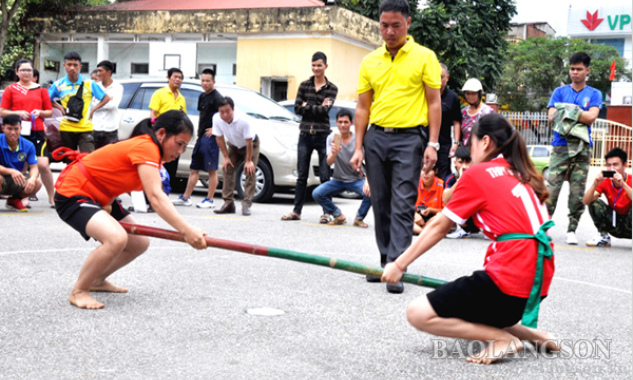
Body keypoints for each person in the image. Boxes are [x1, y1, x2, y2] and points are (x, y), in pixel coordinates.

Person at [383, 113, 558, 364]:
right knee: (470, 308)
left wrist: (398, 264)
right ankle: (534, 335)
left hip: (508, 282)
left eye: (471, 141)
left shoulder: (480, 173)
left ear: (485, 142)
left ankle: (502, 339)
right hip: (537, 285)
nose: (469, 148)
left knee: (418, 313)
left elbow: (439, 227)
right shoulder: (525, 174)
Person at [53, 110, 207, 309]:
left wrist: (188, 230)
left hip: (101, 195)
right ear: (161, 134)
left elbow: (143, 189)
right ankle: (79, 291)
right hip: (73, 192)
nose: (180, 151)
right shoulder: (147, 147)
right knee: (116, 238)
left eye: (185, 147)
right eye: (179, 144)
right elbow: (156, 198)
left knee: (139, 243)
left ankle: (97, 280)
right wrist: (187, 231)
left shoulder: (152, 153)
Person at [350, 0, 442, 294]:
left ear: (408, 23)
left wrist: (433, 143)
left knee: (403, 204)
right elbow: (363, 108)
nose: (389, 32)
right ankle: (385, 262)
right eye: (384, 25)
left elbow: (434, 102)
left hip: (409, 139)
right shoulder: (370, 61)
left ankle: (397, 265)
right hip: (376, 138)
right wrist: (358, 146)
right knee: (381, 203)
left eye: (396, 25)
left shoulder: (425, 57)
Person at [546, 52, 602, 245]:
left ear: (587, 70)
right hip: (560, 146)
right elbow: (552, 116)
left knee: (577, 192)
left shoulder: (594, 94)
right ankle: (544, 227)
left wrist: (567, 111)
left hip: (582, 148)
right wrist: (579, 112)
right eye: (572, 68)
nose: (575, 72)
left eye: (579, 69)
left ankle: (572, 229)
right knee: (551, 189)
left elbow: (591, 117)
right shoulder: (559, 92)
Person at [281, 52, 338, 221]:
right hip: (305, 133)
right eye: (313, 65)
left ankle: (327, 213)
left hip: (323, 135)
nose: (316, 68)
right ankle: (296, 211)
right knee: (302, 175)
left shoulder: (332, 88)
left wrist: (308, 105)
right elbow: (297, 108)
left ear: (325, 67)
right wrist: (315, 106)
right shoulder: (304, 85)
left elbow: (325, 110)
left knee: (325, 175)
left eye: (319, 65)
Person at [0, 58, 55, 207]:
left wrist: (40, 112)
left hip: (37, 131)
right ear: (17, 72)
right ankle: (19, 197)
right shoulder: (10, 89)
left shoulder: (42, 90)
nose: (26, 73)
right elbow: (2, 111)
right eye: (23, 70)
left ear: (33, 72)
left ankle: (52, 197)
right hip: (18, 131)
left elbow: (49, 112)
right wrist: (18, 113)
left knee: (43, 165)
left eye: (29, 70)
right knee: (22, 165)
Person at [172, 68, 223, 208]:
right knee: (194, 168)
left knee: (212, 170)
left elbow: (227, 114)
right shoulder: (202, 96)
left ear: (214, 82)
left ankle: (210, 200)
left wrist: (216, 129)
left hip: (211, 139)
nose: (205, 83)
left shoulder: (218, 98)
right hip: (201, 138)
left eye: (208, 81)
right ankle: (186, 197)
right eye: (203, 80)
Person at [311, 109, 371, 227]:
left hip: (356, 180)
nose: (343, 125)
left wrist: (368, 180)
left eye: (346, 122)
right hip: (337, 180)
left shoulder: (358, 140)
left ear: (351, 123)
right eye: (340, 122)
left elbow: (369, 161)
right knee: (317, 193)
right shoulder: (332, 138)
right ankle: (338, 215)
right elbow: (329, 162)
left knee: (371, 194)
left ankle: (359, 218)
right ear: (337, 123)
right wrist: (334, 153)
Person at [49, 51, 110, 153]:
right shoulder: (58, 84)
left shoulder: (90, 83)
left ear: (80, 66)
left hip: (85, 128)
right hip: (66, 128)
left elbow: (106, 98)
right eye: (69, 64)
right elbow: (46, 100)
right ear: (64, 65)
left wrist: (93, 110)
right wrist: (59, 107)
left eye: (75, 65)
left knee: (87, 159)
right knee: (70, 161)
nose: (72, 67)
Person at [213, 97, 259, 216]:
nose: (225, 115)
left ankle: (246, 203)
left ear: (233, 109)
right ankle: (228, 203)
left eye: (228, 111)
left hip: (250, 145)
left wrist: (248, 161)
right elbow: (219, 138)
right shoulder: (216, 119)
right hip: (234, 145)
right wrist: (226, 157)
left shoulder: (243, 120)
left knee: (249, 170)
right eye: (222, 112)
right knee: (227, 168)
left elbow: (249, 141)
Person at [582, 147, 632, 247]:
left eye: (615, 165)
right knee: (594, 201)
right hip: (614, 225)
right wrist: (595, 184)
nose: (612, 169)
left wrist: (623, 184)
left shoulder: (631, 180)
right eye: (609, 165)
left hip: (630, 225)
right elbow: (586, 201)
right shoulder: (605, 181)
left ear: (625, 165)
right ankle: (603, 236)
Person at [0, 115, 42, 211]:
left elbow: (34, 167)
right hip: (3, 176)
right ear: (3, 128)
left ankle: (14, 200)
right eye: (9, 129)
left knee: (37, 182)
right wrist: (11, 171)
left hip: (15, 178)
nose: (13, 132)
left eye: (16, 129)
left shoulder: (29, 145)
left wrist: (32, 178)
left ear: (21, 128)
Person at [443, 146, 479, 239]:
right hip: (462, 218)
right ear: (455, 163)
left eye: (468, 162)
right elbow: (445, 199)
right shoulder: (451, 178)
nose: (464, 166)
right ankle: (460, 229)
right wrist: (460, 180)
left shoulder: (480, 176)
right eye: (461, 162)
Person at [91, 60, 123, 149]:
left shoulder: (118, 87)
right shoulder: (95, 86)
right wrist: (107, 100)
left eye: (100, 71)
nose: (98, 73)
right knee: (94, 157)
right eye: (97, 71)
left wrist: (97, 103)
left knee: (110, 157)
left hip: (111, 129)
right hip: (95, 128)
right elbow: (91, 105)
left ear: (109, 72)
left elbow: (113, 105)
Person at [438, 63, 462, 179]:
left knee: (443, 175)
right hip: (424, 141)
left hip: (444, 143)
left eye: (441, 76)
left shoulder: (453, 98)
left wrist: (456, 143)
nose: (438, 80)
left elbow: (457, 121)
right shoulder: (424, 94)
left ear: (447, 77)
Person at [457, 78, 495, 147]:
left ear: (480, 93)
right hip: (466, 153)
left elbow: (494, 135)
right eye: (468, 93)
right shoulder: (463, 113)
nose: (470, 96)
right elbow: (459, 136)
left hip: (483, 153)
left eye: (473, 93)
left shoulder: (488, 112)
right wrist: (458, 150)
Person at [413, 165, 443, 235]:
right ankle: (423, 233)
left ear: (436, 171)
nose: (425, 173)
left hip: (434, 219)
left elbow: (447, 211)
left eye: (429, 170)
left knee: (440, 216)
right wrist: (415, 215)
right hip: (417, 218)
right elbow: (405, 207)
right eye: (423, 170)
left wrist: (430, 210)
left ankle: (419, 231)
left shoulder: (442, 185)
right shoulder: (414, 184)